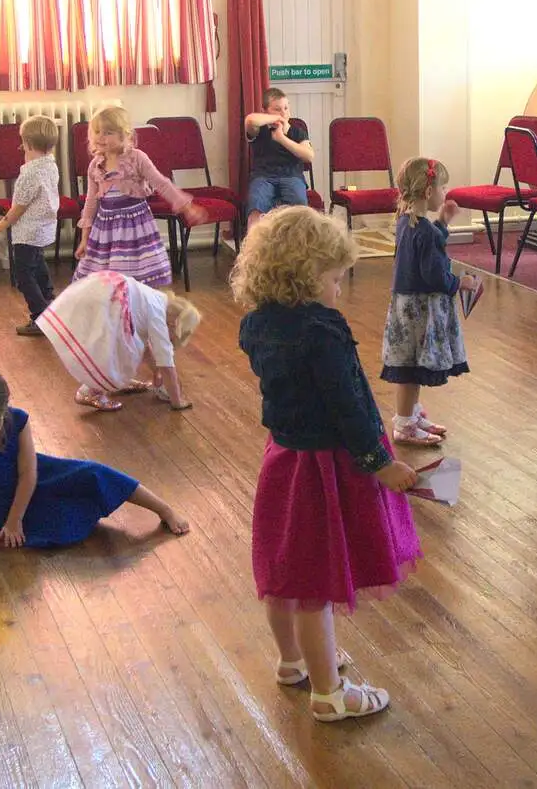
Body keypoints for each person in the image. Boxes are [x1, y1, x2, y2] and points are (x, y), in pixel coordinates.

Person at [233, 206, 420, 722]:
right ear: (306, 275)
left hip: (283, 459)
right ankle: (329, 694)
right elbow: (349, 406)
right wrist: (381, 464)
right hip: (323, 467)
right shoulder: (324, 329)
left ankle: (292, 662)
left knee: (283, 569)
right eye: (335, 279)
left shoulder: (255, 323)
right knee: (316, 583)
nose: (339, 289)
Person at [0, 369, 189, 552]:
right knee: (59, 530)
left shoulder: (18, 419)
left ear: (3, 412)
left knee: (94, 472)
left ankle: (164, 509)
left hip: (36, 475)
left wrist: (15, 520)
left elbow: (28, 473)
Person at [379, 157, 481, 446]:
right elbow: (435, 275)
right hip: (419, 311)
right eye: (443, 187)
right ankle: (404, 423)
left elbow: (430, 240)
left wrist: (443, 222)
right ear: (428, 192)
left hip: (405, 307)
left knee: (411, 366)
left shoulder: (407, 221)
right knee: (411, 370)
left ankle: (410, 415)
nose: (445, 193)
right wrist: (460, 282)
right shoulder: (421, 230)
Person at [74, 104, 206, 285]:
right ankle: (117, 310)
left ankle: (138, 308)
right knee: (108, 282)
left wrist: (186, 206)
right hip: (106, 230)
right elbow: (90, 203)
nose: (101, 137)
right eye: (97, 132)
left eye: (108, 132)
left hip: (135, 228)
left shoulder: (137, 158)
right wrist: (84, 239)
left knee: (133, 278)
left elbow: (162, 183)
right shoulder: (95, 166)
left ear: (124, 134)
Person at [40, 270, 201, 413]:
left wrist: (155, 372)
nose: (169, 339)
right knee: (115, 350)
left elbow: (147, 350)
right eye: (172, 338)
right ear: (174, 325)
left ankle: (117, 382)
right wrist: (177, 401)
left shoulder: (156, 299)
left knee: (131, 345)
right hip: (110, 302)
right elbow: (166, 363)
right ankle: (90, 390)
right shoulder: (158, 316)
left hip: (104, 290)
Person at [0, 115, 61, 336]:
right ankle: (51, 305)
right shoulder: (51, 165)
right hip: (44, 229)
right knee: (38, 267)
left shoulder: (28, 174)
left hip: (27, 233)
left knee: (23, 276)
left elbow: (17, 208)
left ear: (27, 143)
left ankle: (40, 316)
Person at [243, 88, 315, 231]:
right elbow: (250, 119)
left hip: (291, 176)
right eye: (277, 109)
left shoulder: (297, 132)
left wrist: (282, 139)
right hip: (263, 177)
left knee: (300, 210)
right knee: (255, 207)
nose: (283, 113)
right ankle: (254, 249)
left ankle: (299, 249)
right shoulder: (259, 130)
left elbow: (309, 156)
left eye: (286, 108)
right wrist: (276, 120)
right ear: (265, 111)